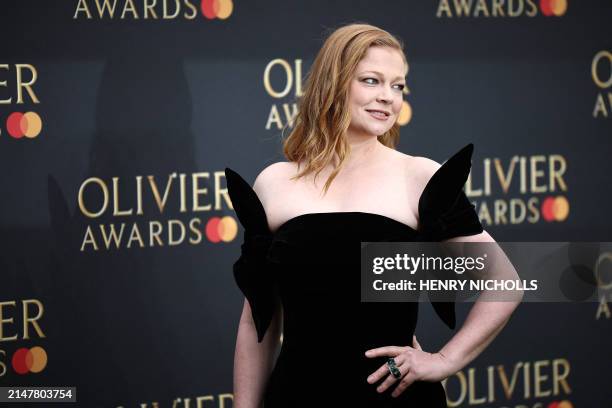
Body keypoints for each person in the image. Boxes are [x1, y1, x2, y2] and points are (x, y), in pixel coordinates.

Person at [225, 23, 522, 407]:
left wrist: (445, 360)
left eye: (398, 86)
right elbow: (258, 321)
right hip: (297, 395)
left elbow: (506, 281)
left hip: (392, 397)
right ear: (332, 84)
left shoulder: (418, 176)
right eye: (371, 81)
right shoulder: (274, 183)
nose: (388, 98)